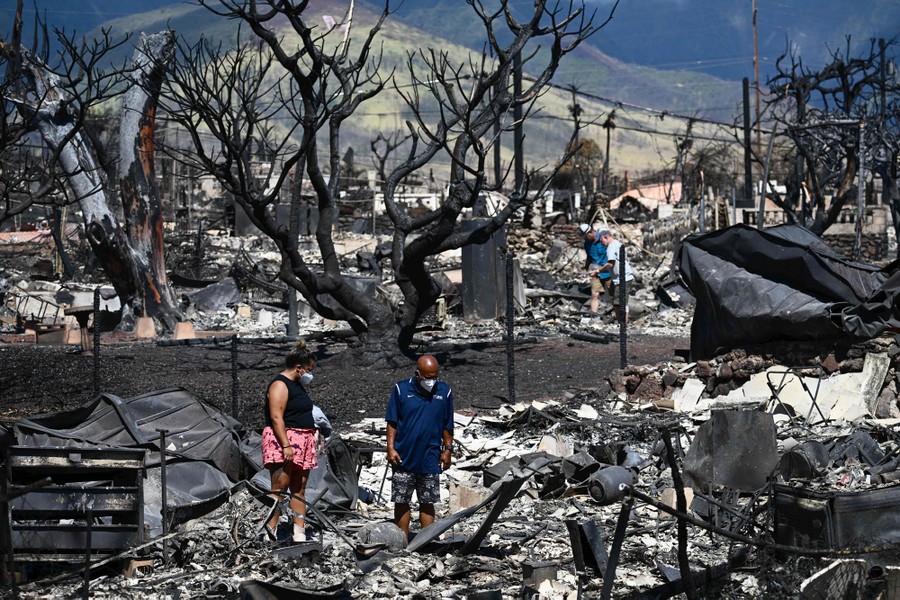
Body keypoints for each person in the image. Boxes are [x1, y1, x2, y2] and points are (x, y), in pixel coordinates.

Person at [385, 354, 455, 539]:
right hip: (404, 456)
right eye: (427, 377)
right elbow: (392, 422)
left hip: (430, 456)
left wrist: (447, 451)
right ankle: (403, 540)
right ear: (417, 374)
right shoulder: (401, 390)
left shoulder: (444, 392)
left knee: (428, 501)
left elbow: (448, 426)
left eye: (435, 377)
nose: (431, 381)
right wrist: (390, 448)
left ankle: (426, 540)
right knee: (401, 501)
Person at [261, 340, 319, 543]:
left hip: (303, 440)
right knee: (280, 486)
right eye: (309, 370)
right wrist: (286, 445)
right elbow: (277, 417)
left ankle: (299, 532)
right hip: (284, 440)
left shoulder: (297, 386)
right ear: (298, 367)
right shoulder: (280, 384)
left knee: (299, 487)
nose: (310, 374)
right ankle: (270, 530)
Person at [597, 229, 635, 323]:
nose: (601, 244)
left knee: (619, 304)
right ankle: (623, 325)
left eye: (601, 241)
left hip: (623, 278)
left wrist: (598, 270)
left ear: (606, 237)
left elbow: (610, 264)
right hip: (624, 277)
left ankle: (623, 326)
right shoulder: (617, 243)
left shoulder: (611, 247)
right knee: (619, 303)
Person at [581, 224, 612, 313]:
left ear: (590, 232)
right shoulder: (587, 244)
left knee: (615, 293)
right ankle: (594, 314)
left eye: (585, 236)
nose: (584, 239)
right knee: (594, 294)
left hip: (609, 271)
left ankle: (620, 314)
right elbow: (589, 257)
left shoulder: (604, 238)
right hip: (596, 272)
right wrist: (586, 267)